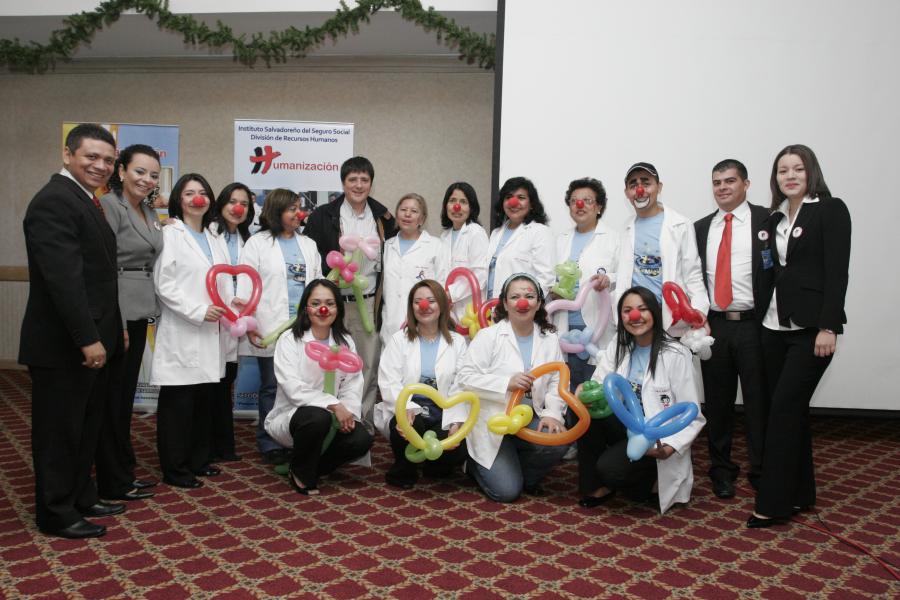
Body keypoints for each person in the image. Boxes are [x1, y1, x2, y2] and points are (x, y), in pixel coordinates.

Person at [20, 123, 126, 538]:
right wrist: (87, 338)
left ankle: (81, 495)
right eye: (91, 157)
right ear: (68, 154)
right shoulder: (53, 201)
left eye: (108, 160)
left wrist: (114, 330)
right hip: (65, 345)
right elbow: (63, 281)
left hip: (93, 339)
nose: (101, 166)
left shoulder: (85, 199)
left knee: (85, 427)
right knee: (59, 433)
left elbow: (99, 276)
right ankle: (56, 512)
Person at [747, 145, 851, 528]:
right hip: (774, 328)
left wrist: (829, 326)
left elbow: (837, 272)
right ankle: (801, 494)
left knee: (782, 413)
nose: (789, 176)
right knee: (792, 413)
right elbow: (770, 271)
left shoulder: (830, 210)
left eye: (797, 169)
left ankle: (772, 504)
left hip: (811, 330)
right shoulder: (774, 217)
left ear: (811, 173)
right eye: (782, 170)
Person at [577, 286, 706, 514]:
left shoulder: (676, 354)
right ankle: (597, 486)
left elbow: (693, 414)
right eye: (627, 311)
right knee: (584, 413)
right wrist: (584, 392)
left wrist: (671, 447)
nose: (635, 316)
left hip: (655, 437)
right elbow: (600, 385)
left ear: (654, 312)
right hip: (624, 425)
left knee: (611, 469)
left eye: (642, 309)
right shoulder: (619, 346)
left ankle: (650, 482)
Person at [304, 157, 398, 432]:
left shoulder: (382, 217)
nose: (358, 185)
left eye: (364, 180)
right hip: (331, 305)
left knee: (367, 366)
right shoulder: (323, 216)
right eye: (352, 179)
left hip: (367, 305)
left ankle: (362, 424)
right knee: (327, 364)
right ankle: (328, 420)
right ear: (343, 183)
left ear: (371, 183)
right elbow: (311, 256)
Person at [694, 160, 769, 499]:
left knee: (758, 402)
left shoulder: (767, 220)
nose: (722, 187)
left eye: (730, 181)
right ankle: (721, 470)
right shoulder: (700, 228)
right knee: (718, 404)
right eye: (717, 182)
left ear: (746, 184)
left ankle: (762, 469)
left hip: (755, 326)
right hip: (716, 327)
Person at [457, 273, 568, 502]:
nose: (522, 302)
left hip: (529, 417)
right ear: (505, 304)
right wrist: (505, 383)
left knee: (560, 440)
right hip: (493, 421)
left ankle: (521, 473)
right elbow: (465, 378)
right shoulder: (488, 337)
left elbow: (557, 381)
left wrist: (553, 414)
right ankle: (475, 465)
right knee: (506, 492)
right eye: (515, 297)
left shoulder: (549, 338)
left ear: (538, 303)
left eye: (529, 296)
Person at [94, 144, 165, 503]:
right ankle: (112, 480)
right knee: (112, 400)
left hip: (140, 311)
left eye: (153, 175)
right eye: (139, 171)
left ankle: (123, 472)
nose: (146, 179)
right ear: (121, 171)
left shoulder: (149, 211)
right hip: (118, 311)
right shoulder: (110, 206)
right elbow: (105, 267)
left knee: (123, 399)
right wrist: (117, 322)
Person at [151, 173, 231, 489]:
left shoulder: (215, 236)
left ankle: (199, 460)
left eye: (202, 192)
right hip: (183, 327)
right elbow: (164, 284)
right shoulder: (171, 233)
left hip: (213, 330)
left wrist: (232, 305)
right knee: (178, 406)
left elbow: (223, 279)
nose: (197, 198)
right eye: (189, 193)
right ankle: (175, 469)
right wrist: (198, 311)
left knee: (203, 401)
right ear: (179, 200)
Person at [265, 279, 373, 494]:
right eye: (316, 303)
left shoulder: (345, 341)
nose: (323, 309)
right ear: (306, 307)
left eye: (330, 304)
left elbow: (352, 383)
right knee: (317, 416)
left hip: (334, 416)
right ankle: (301, 473)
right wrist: (334, 405)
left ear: (338, 308)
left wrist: (347, 412)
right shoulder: (289, 339)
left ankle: (314, 466)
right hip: (296, 416)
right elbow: (293, 387)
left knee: (361, 439)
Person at [238, 189, 322, 466]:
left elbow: (317, 283)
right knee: (272, 387)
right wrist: (249, 322)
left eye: (300, 208)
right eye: (292, 209)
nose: (299, 214)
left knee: (303, 385)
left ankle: (297, 437)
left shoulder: (308, 244)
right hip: (270, 325)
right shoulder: (257, 243)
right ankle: (269, 441)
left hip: (303, 328)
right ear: (276, 211)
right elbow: (246, 284)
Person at [376, 280, 469, 489]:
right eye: (418, 302)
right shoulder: (399, 340)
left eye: (430, 301)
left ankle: (433, 466)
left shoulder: (458, 342)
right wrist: (405, 408)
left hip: (442, 411)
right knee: (409, 425)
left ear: (442, 305)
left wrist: (456, 421)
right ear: (412, 307)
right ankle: (403, 469)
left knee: (455, 451)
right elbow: (389, 380)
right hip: (411, 409)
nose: (424, 306)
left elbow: (461, 385)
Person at [615, 163, 708, 333]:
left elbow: (693, 275)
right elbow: (623, 273)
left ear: (659, 187)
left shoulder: (681, 224)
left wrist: (699, 312)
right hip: (636, 321)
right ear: (627, 193)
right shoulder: (625, 228)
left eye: (646, 183)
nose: (640, 190)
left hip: (672, 321)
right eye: (633, 185)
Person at [553, 177, 620, 390]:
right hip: (564, 327)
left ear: (599, 207)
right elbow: (550, 278)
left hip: (597, 329)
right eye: (574, 201)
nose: (579, 205)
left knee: (595, 390)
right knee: (566, 389)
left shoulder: (614, 239)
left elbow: (625, 275)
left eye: (587, 200)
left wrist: (609, 279)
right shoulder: (560, 240)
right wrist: (552, 291)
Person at [208, 182, 255, 463]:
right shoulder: (209, 233)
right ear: (222, 203)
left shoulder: (247, 239)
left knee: (226, 380)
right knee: (209, 384)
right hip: (212, 318)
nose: (238, 208)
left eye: (244, 204)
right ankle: (207, 445)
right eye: (232, 202)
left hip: (235, 321)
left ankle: (224, 445)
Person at [380, 193, 441, 347]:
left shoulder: (436, 246)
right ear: (397, 215)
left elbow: (443, 286)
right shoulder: (387, 246)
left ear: (422, 219)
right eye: (403, 210)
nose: (407, 214)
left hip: (423, 322)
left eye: (414, 211)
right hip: (391, 324)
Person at [485, 177, 556, 300]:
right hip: (491, 306)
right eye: (508, 197)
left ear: (531, 204)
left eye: (521, 198)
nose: (513, 202)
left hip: (521, 307)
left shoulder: (540, 232)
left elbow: (546, 279)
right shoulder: (496, 233)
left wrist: (526, 304)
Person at [436, 182, 490, 325]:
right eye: (452, 200)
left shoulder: (476, 232)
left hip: (470, 312)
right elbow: (441, 273)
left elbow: (480, 275)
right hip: (447, 310)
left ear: (471, 207)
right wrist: (441, 296)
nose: (457, 206)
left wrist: (450, 294)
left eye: (463, 202)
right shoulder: (444, 236)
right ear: (446, 205)